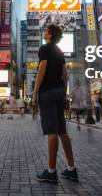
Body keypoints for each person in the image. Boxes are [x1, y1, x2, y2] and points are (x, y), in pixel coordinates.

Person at [32, 24, 77, 183]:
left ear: (50, 35)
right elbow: (65, 75)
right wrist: (64, 93)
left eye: (45, 31)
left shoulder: (45, 48)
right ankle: (72, 169)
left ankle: (51, 172)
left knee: (52, 130)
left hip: (47, 93)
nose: (44, 32)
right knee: (62, 131)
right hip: (59, 92)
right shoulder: (59, 51)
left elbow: (41, 71)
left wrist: (35, 92)